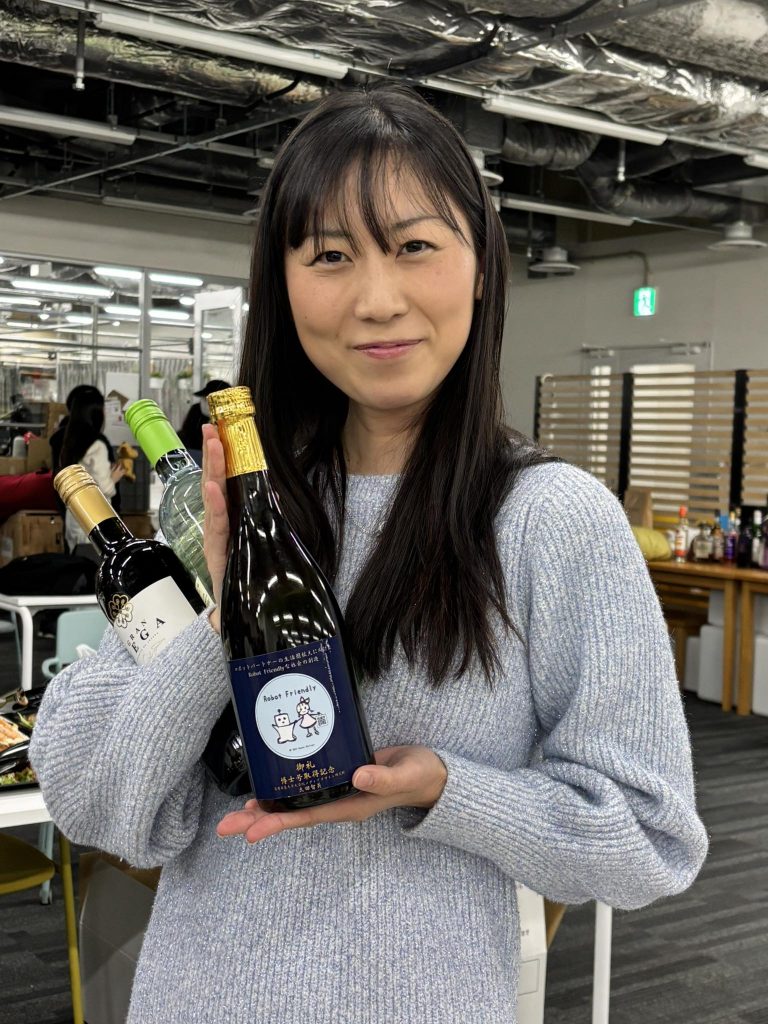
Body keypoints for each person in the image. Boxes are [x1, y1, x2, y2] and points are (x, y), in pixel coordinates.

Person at [30, 86, 707, 1024]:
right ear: (282, 283)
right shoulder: (230, 504)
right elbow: (92, 800)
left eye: (415, 246)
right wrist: (225, 617)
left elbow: (649, 838)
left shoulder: (550, 520)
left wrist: (446, 790)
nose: (377, 300)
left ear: (482, 267)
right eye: (330, 256)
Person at [56, 385, 125, 558]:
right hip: (95, 518)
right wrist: (114, 477)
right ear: (95, 413)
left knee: (78, 566)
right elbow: (105, 488)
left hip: (75, 516)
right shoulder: (98, 445)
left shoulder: (70, 442)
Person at [177, 379, 231, 464]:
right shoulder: (196, 410)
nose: (204, 403)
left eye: (209, 400)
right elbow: (187, 434)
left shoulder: (231, 419)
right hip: (195, 455)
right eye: (204, 399)